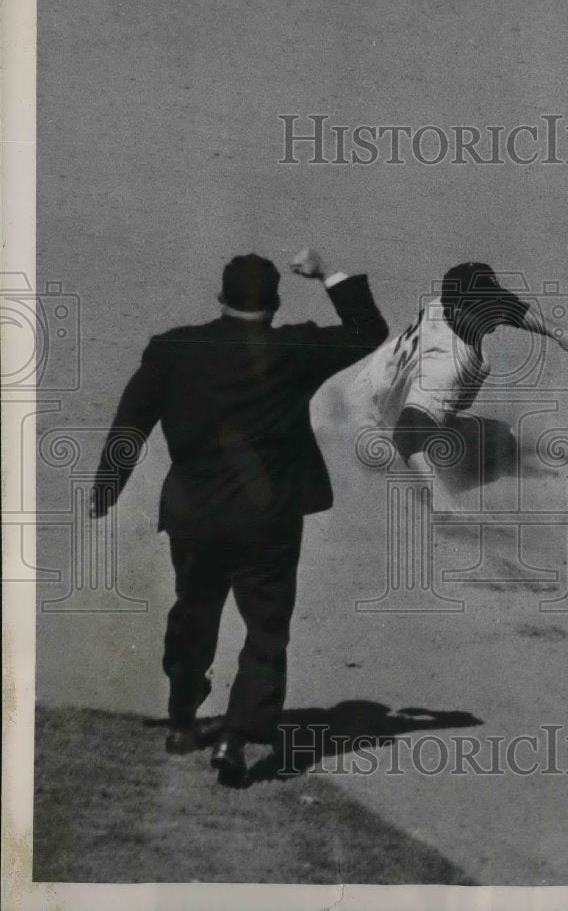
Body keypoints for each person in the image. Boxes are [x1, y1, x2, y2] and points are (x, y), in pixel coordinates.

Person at [89, 249, 388, 785]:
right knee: (267, 628)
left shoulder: (174, 348)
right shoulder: (295, 348)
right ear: (274, 304)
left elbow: (131, 420)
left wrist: (108, 484)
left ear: (220, 299)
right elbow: (369, 331)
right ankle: (237, 735)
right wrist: (326, 274)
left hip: (195, 517)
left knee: (193, 615)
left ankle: (183, 721)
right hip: (269, 520)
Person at [345, 261, 568, 480]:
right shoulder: (448, 364)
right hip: (377, 433)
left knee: (496, 437)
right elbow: (409, 435)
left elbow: (511, 309)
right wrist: (444, 503)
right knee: (496, 443)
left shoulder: (443, 306)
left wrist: (559, 333)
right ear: (460, 312)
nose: (495, 311)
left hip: (368, 389)